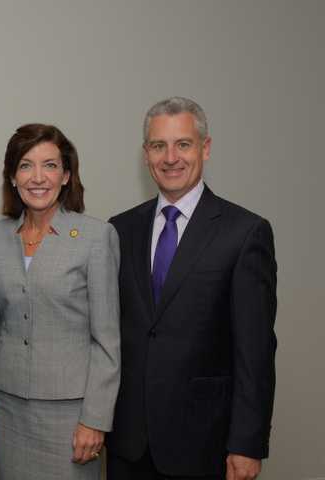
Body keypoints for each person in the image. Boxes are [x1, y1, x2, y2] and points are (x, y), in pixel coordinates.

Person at [106, 97, 277, 480]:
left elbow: (256, 351)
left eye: (183, 144)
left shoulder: (245, 232)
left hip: (204, 444)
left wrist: (247, 443)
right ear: (145, 153)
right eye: (158, 145)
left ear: (206, 147)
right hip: (127, 444)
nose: (170, 157)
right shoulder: (119, 230)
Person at [0, 124, 121, 480]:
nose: (38, 177)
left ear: (67, 175)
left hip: (69, 415)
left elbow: (107, 341)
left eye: (50, 165)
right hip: (5, 404)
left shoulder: (96, 237)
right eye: (26, 165)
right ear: (11, 175)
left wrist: (95, 419)